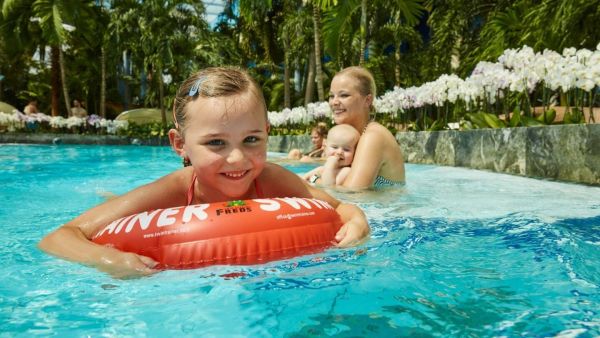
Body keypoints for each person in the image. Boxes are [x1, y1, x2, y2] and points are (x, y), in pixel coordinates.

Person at [38, 67, 370, 279]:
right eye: (215, 143)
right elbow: (59, 237)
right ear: (179, 144)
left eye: (252, 139)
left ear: (267, 132)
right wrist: (107, 261)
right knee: (116, 203)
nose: (237, 158)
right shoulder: (171, 191)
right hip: (168, 221)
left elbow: (339, 207)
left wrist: (356, 219)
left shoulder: (271, 178)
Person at [328, 66, 405, 188]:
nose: (334, 102)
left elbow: (352, 195)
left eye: (344, 95)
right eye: (332, 96)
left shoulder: (373, 137)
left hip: (385, 207)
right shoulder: (350, 139)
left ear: (367, 100)